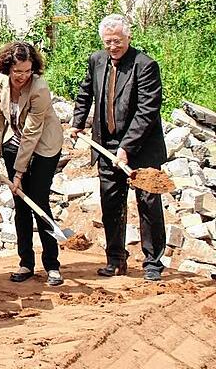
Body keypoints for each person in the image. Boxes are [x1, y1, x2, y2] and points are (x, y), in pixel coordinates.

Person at [68, 14, 167, 281]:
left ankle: (153, 262)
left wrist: (126, 148)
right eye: (109, 42)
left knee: (147, 202)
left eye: (118, 41)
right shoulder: (96, 61)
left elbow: (147, 111)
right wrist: (77, 123)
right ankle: (115, 260)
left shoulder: (145, 65)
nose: (113, 46)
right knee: (111, 201)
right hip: (106, 144)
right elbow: (85, 92)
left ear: (129, 38)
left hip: (142, 147)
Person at [0, 42, 64, 287]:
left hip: (44, 145)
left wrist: (18, 173)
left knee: (38, 200)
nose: (22, 77)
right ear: (8, 68)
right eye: (18, 72)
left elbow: (32, 132)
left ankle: (52, 265)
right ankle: (25, 262)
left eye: (27, 71)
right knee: (20, 203)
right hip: (15, 140)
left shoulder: (39, 87)